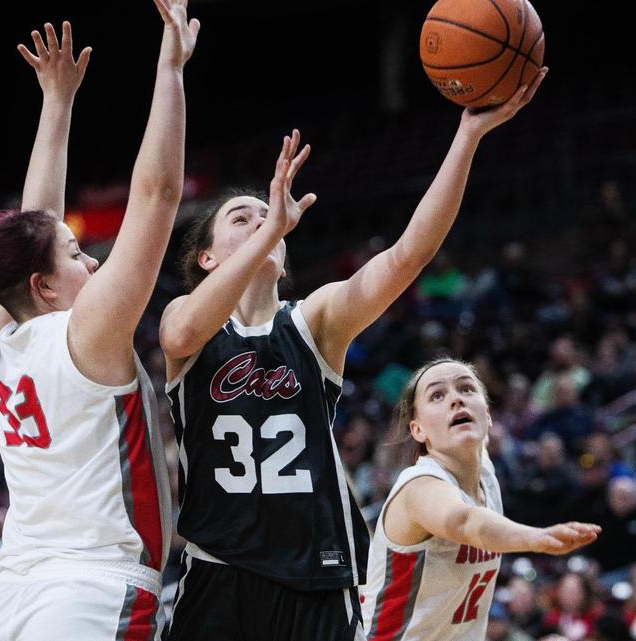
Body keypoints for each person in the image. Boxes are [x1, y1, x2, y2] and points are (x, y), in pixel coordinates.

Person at [162, 69, 549, 641]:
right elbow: (180, 336)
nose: (262, 221)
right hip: (218, 574)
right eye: (241, 219)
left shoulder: (314, 321)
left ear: (287, 260)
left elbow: (406, 256)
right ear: (208, 261)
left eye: (268, 218)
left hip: (317, 576)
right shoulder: (184, 322)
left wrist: (466, 139)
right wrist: (271, 230)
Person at [0, 6, 198, 641]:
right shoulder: (89, 334)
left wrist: (56, 105)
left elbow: (34, 224)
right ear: (45, 286)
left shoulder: (1, 342)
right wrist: (170, 69)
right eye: (79, 255)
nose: (93, 261)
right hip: (93, 588)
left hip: (14, 591)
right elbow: (158, 196)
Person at [360, 359, 599, 641]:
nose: (456, 399)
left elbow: (476, 445)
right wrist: (536, 538)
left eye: (466, 389)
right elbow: (466, 522)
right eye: (437, 395)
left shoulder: (483, 471)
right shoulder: (420, 486)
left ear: (487, 415)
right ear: (418, 430)